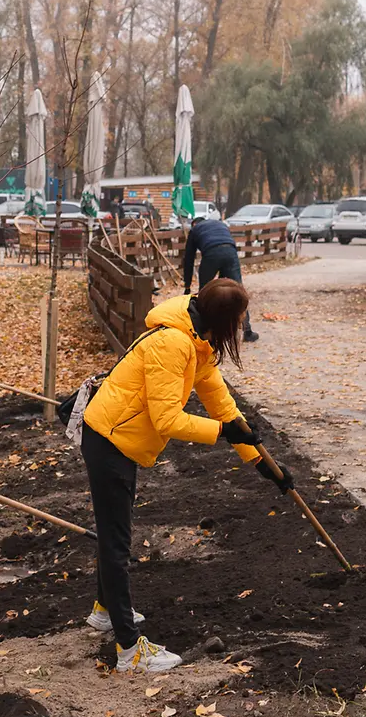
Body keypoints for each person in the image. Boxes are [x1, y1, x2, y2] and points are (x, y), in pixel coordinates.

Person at [80, 278, 294, 674]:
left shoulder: (198, 342)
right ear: (224, 319)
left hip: (118, 439)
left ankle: (105, 611)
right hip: (110, 441)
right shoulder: (173, 344)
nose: (242, 326)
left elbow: (221, 403)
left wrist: (263, 464)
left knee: (115, 534)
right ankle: (129, 649)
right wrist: (222, 433)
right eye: (240, 318)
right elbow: (167, 419)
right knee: (116, 543)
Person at [182, 215, 259, 343]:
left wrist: (187, 286)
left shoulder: (195, 230)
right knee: (237, 291)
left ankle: (202, 331)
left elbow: (189, 259)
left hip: (211, 254)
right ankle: (247, 331)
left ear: (194, 224)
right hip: (230, 252)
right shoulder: (220, 224)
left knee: (205, 294)